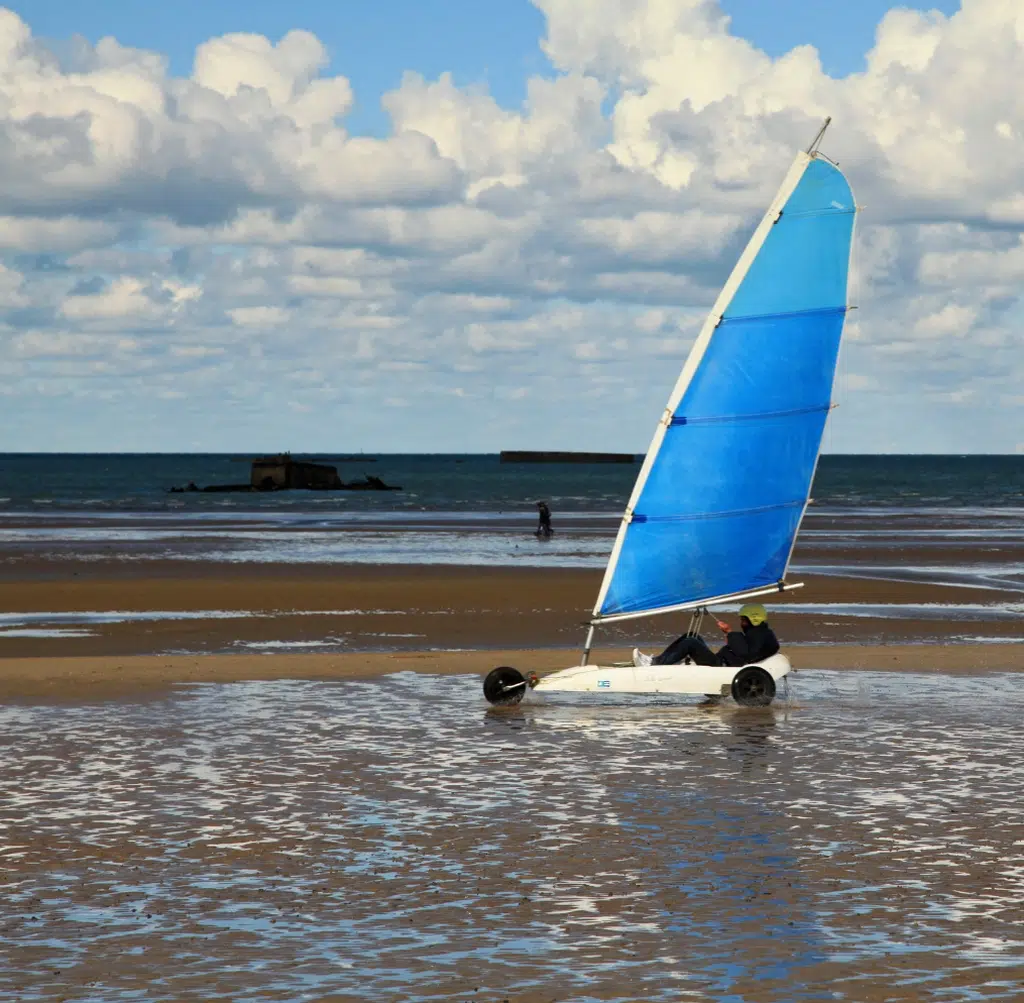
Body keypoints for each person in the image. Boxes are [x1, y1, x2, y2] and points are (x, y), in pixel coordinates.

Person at [633, 603, 779, 667]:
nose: (741, 623)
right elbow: (745, 649)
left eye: (743, 620)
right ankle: (660, 659)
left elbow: (745, 653)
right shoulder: (761, 633)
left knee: (691, 642)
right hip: (722, 661)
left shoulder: (759, 634)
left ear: (753, 619)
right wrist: (731, 636)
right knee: (692, 635)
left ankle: (655, 663)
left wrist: (729, 632)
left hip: (721, 665)